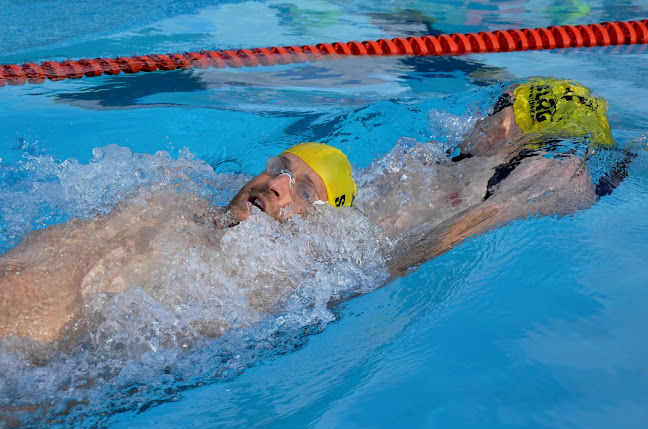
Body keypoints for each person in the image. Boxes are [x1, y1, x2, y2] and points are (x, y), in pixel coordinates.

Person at [0, 77, 626, 344]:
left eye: (303, 189)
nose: (277, 186)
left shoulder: (272, 281)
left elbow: (401, 256)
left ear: (512, 123)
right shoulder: (162, 198)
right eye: (278, 170)